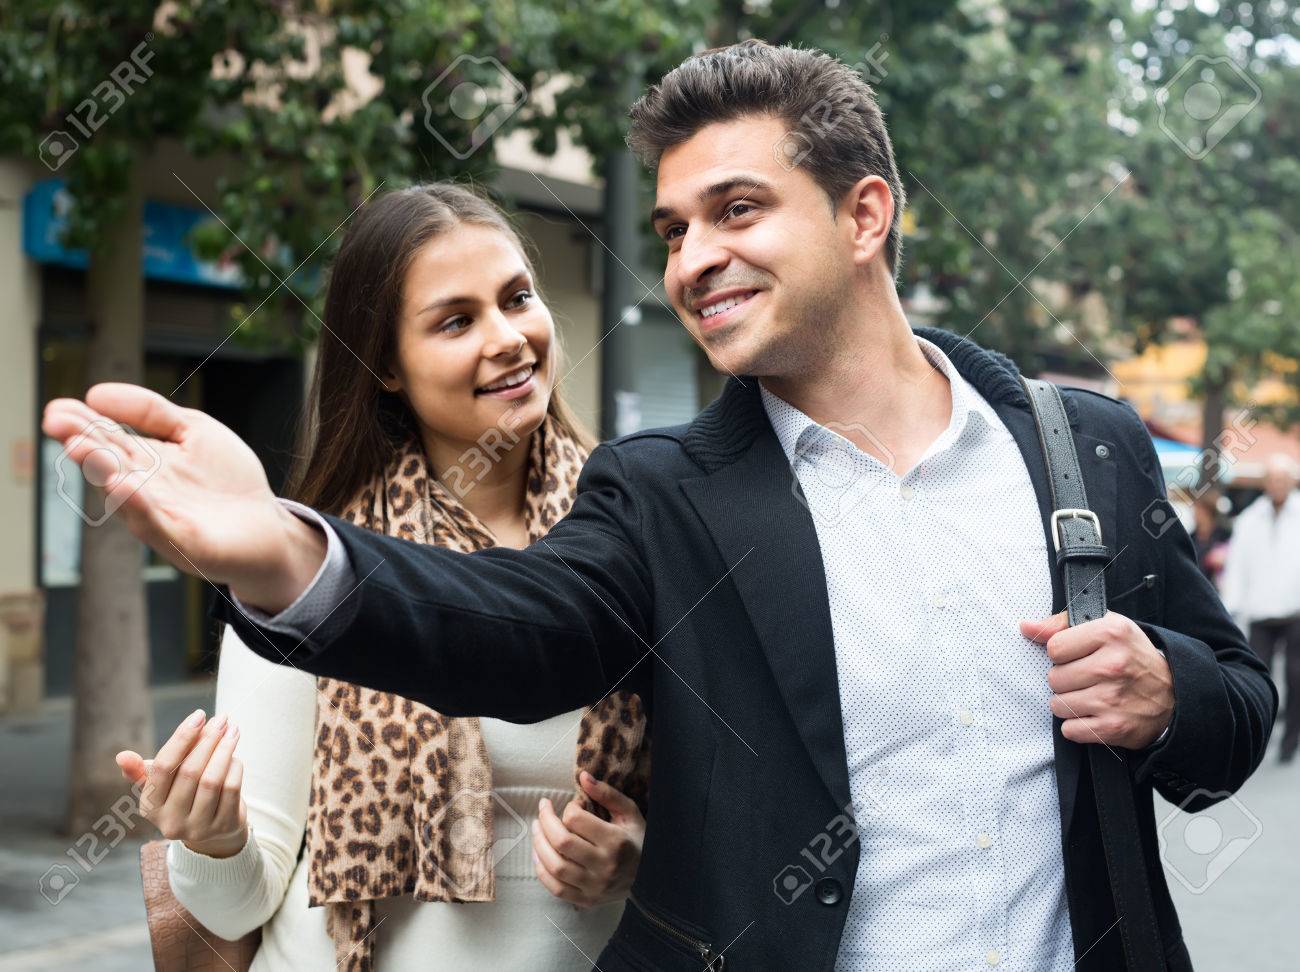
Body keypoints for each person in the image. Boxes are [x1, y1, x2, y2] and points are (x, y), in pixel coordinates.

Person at [45, 41, 1274, 972]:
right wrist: (282, 553)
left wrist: (1168, 693)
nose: (688, 258)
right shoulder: (661, 492)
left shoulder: (1085, 451)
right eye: (677, 228)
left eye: (736, 211)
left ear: (864, 215)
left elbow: (1235, 722)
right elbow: (510, 627)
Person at [111, 183, 651, 970]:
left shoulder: (638, 529)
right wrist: (212, 838)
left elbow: (733, 816)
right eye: (457, 320)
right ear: (388, 365)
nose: (508, 337)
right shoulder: (306, 567)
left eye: (517, 298)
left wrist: (642, 858)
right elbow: (242, 902)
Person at [1220, 454, 1300, 763]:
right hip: (1260, 611)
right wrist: (1231, 608)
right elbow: (1236, 567)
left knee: (1296, 678)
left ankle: (1290, 741)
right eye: (1273, 480)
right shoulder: (1250, 519)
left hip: (1295, 612)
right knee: (1257, 677)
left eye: (1283, 479)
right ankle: (1259, 738)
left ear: (1291, 482)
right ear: (1266, 484)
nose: (1278, 485)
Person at [1190, 490, 1231, 583]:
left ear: (1208, 512)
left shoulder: (1224, 535)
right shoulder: (1191, 537)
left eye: (1198, 510)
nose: (1195, 514)